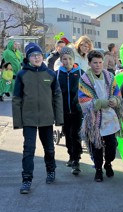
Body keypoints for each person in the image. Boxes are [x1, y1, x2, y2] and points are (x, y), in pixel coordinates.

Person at [12, 43, 63, 194]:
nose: (36, 58)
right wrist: (18, 121)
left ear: (42, 56)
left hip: (47, 119)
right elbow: (16, 99)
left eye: (39, 55)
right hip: (29, 119)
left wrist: (58, 118)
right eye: (33, 55)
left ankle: (51, 170)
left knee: (49, 148)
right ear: (28, 58)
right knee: (28, 150)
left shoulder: (50, 74)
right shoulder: (22, 75)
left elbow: (57, 96)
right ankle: (27, 179)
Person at [78, 50, 123, 182]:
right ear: (89, 63)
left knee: (111, 145)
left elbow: (117, 92)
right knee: (96, 146)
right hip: (93, 118)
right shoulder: (84, 79)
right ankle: (98, 170)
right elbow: (83, 100)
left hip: (109, 118)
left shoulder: (109, 76)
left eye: (100, 62)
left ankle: (108, 163)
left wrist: (115, 100)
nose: (98, 65)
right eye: (95, 62)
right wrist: (99, 103)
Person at [56, 47, 85, 174]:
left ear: (73, 59)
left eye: (69, 59)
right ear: (61, 60)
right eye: (64, 59)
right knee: (67, 133)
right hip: (63, 110)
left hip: (77, 110)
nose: (67, 61)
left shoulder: (80, 73)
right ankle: (70, 155)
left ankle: (76, 159)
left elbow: (86, 90)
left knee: (76, 134)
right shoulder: (57, 73)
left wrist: (81, 104)